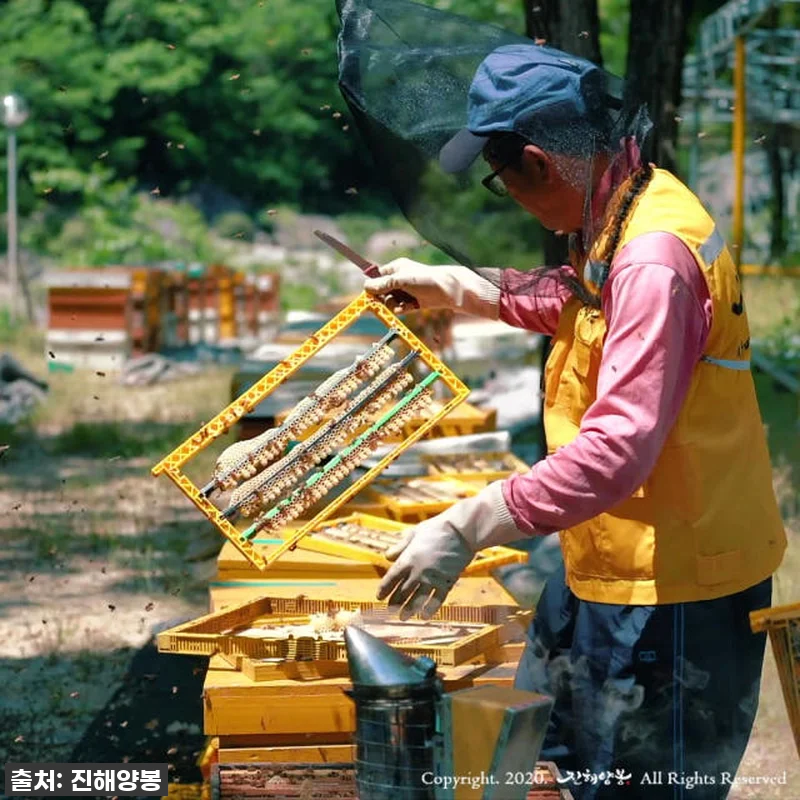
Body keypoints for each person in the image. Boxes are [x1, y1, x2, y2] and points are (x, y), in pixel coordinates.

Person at [365, 43, 787, 799]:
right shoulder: (628, 198)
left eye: (504, 183)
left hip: (677, 589)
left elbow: (618, 447)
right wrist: (458, 287)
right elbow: (586, 304)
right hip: (620, 556)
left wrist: (470, 524)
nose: (513, 200)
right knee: (548, 756)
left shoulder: (654, 259)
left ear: (540, 163)